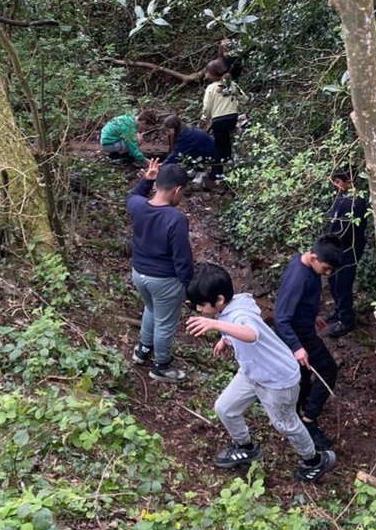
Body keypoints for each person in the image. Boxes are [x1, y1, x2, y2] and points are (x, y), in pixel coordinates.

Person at [186, 263, 337, 482]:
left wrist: (215, 326)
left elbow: (250, 333)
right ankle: (246, 448)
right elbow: (233, 327)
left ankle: (314, 460)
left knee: (286, 424)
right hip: (252, 373)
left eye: (201, 305)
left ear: (219, 300)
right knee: (224, 408)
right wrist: (225, 340)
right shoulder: (232, 306)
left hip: (278, 380)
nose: (199, 310)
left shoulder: (239, 315)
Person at [272, 235, 344, 450]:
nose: (328, 273)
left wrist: (312, 316)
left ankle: (296, 408)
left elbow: (300, 302)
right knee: (328, 370)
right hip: (298, 334)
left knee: (302, 374)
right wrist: (297, 347)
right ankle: (309, 420)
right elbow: (281, 318)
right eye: (326, 268)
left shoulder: (303, 263)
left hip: (304, 326)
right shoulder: (299, 277)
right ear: (313, 257)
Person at [127, 158, 194, 381]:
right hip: (164, 280)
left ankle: (143, 350)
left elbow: (132, 195)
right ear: (178, 189)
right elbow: (182, 258)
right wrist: (188, 286)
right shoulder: (176, 219)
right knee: (165, 323)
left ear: (157, 184)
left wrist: (146, 179)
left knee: (151, 309)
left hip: (139, 274)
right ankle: (161, 365)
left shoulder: (137, 205)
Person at [324, 168, 369, 338]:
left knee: (343, 284)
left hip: (349, 249)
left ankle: (347, 320)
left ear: (349, 182)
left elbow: (344, 229)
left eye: (339, 182)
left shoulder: (356, 202)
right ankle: (339, 309)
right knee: (333, 280)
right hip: (336, 248)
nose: (336, 186)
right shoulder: (341, 197)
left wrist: (328, 243)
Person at [201, 59, 244, 178]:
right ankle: (229, 160)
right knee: (226, 140)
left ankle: (216, 173)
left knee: (218, 146)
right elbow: (244, 98)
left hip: (218, 120)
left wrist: (204, 117)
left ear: (212, 73)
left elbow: (207, 107)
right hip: (232, 118)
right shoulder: (232, 84)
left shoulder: (211, 88)